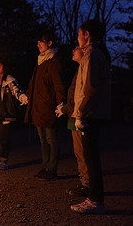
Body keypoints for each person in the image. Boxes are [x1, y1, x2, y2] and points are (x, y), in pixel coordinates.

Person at [69, 19, 111, 214]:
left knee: (91, 158)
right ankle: (93, 198)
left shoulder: (92, 56)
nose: (77, 37)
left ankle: (95, 200)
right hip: (90, 114)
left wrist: (81, 114)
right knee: (90, 156)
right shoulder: (91, 55)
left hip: (90, 115)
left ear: (87, 34)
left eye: (79, 33)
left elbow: (90, 89)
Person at [25, 30, 66, 180]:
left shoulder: (54, 62)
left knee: (51, 139)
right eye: (37, 42)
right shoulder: (40, 62)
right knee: (43, 140)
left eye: (41, 41)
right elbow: (34, 84)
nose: (38, 44)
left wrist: (60, 103)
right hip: (38, 107)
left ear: (49, 43)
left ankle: (52, 169)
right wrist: (27, 96)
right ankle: (45, 166)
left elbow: (58, 84)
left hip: (48, 107)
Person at [55, 46, 89, 196]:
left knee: (82, 152)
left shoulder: (84, 69)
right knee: (78, 151)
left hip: (78, 116)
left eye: (77, 48)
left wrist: (65, 109)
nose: (73, 49)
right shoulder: (79, 69)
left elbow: (80, 96)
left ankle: (87, 184)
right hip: (73, 115)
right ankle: (85, 181)